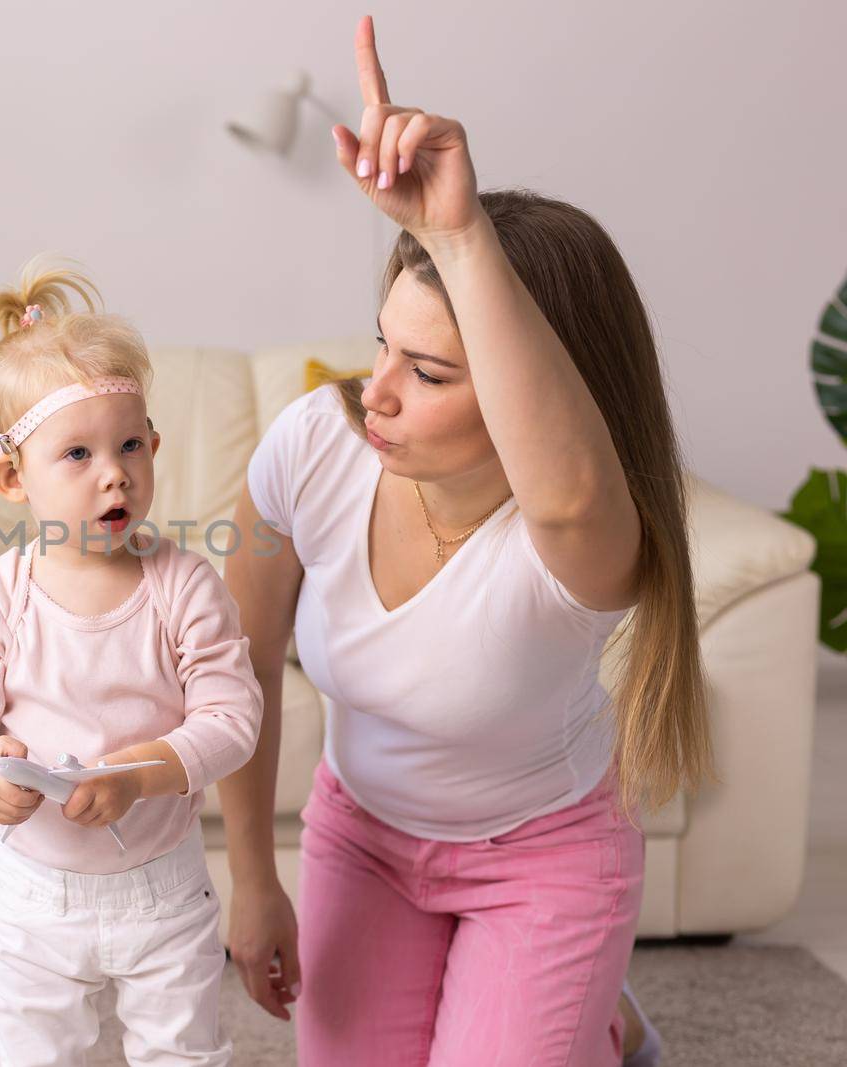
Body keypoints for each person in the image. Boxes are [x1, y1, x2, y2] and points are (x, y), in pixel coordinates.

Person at [218, 18, 699, 1067]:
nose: (375, 391)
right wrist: (252, 875)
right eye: (382, 342)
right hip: (366, 835)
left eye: (430, 374)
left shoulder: (575, 540)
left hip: (547, 856)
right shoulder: (312, 442)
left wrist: (463, 231)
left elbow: (570, 496)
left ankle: (596, 1025)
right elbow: (242, 661)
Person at [0, 259, 264, 1065]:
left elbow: (233, 718)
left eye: (131, 444)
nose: (116, 472)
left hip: (164, 889)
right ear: (12, 477)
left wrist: (140, 774)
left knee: (185, 1050)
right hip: (38, 893)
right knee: (37, 1053)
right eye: (78, 453)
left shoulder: (185, 584)